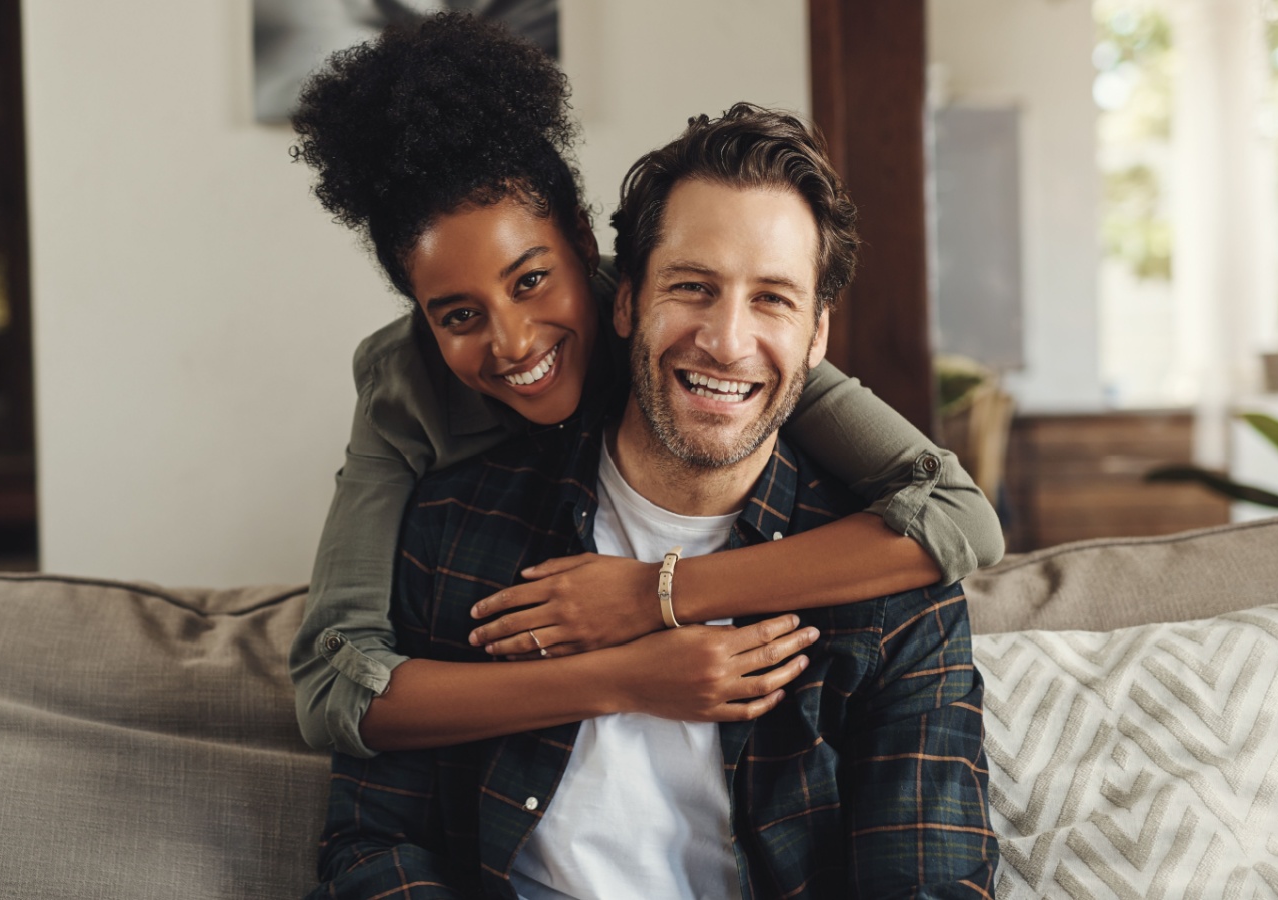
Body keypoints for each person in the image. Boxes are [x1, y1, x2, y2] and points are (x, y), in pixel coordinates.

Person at [310, 103, 996, 899]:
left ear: (817, 337)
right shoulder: (454, 531)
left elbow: (928, 884)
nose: (727, 340)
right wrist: (623, 675)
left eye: (773, 298)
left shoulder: (895, 595)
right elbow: (370, 839)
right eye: (692, 287)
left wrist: (655, 594)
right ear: (627, 301)